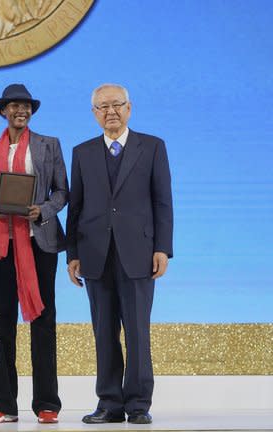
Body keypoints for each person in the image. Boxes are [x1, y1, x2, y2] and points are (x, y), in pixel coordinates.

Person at [66, 84, 173, 425]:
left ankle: (139, 403)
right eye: (102, 107)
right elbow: (76, 206)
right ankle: (109, 403)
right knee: (104, 332)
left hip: (139, 253)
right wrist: (73, 254)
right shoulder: (82, 152)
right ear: (94, 113)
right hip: (95, 254)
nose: (110, 111)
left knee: (138, 331)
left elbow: (162, 202)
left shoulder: (153, 147)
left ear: (130, 108)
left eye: (116, 105)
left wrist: (162, 248)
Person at [0, 84, 68, 424]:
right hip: (2, 244)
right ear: (3, 110)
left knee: (44, 320)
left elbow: (63, 191)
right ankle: (2, 403)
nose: (22, 110)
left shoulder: (50, 145)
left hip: (39, 242)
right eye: (15, 105)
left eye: (27, 106)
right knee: (3, 320)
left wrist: (43, 210)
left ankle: (47, 402)